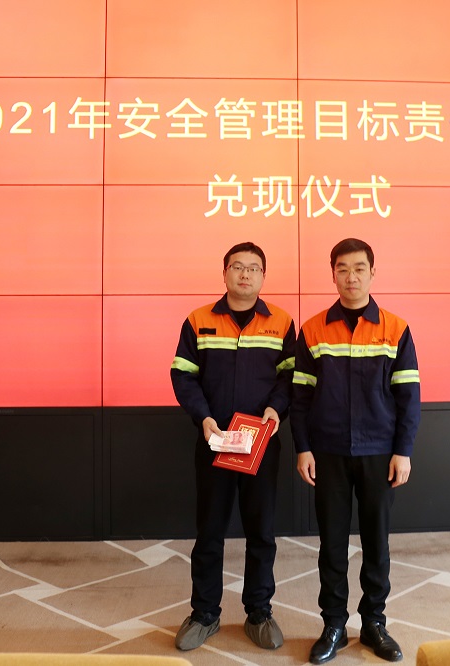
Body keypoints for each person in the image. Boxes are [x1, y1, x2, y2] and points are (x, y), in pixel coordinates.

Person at [292, 238, 421, 664]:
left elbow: (408, 397)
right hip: (327, 452)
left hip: (379, 452)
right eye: (343, 269)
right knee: (331, 544)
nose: (351, 277)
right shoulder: (313, 329)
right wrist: (303, 448)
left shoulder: (396, 329)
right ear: (332, 274)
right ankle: (333, 625)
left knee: (376, 543)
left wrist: (403, 451)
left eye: (359, 268)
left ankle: (374, 624)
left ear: (372, 273)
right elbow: (300, 398)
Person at [170, 241, 296, 652]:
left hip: (261, 444)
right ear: (224, 272)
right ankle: (205, 613)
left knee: (261, 531)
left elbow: (290, 377)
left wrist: (276, 410)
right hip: (215, 441)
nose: (245, 274)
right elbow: (183, 375)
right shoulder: (199, 320)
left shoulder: (281, 322)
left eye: (253, 268)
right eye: (237, 267)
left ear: (263, 276)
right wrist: (203, 418)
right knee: (210, 531)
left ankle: (259, 611)